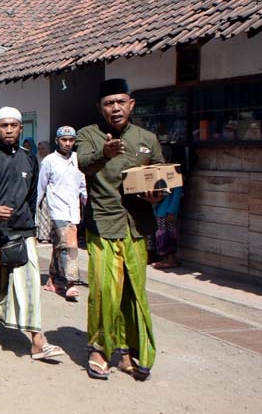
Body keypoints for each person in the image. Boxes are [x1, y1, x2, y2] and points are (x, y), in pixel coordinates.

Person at [76, 78, 164, 381]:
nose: (115, 108)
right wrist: (106, 153)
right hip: (103, 224)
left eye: (120, 102)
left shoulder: (147, 138)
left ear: (131, 104)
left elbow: (160, 174)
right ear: (100, 108)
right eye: (108, 103)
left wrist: (157, 194)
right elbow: (84, 165)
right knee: (103, 290)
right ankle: (99, 349)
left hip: (137, 226)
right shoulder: (88, 135)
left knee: (134, 291)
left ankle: (129, 350)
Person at [0, 107, 65, 361]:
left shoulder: (29, 158)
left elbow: (32, 197)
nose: (8, 130)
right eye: (3, 125)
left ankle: (38, 341)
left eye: (13, 125)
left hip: (23, 232)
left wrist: (31, 226)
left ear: (20, 128)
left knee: (29, 286)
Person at [39, 126, 87, 301]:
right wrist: (36, 214)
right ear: (57, 141)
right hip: (56, 209)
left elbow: (82, 184)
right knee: (70, 245)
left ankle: (53, 280)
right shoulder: (49, 161)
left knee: (60, 246)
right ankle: (71, 282)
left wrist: (86, 200)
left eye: (71, 140)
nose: (67, 143)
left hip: (74, 210)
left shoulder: (77, 159)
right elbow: (41, 187)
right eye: (64, 140)